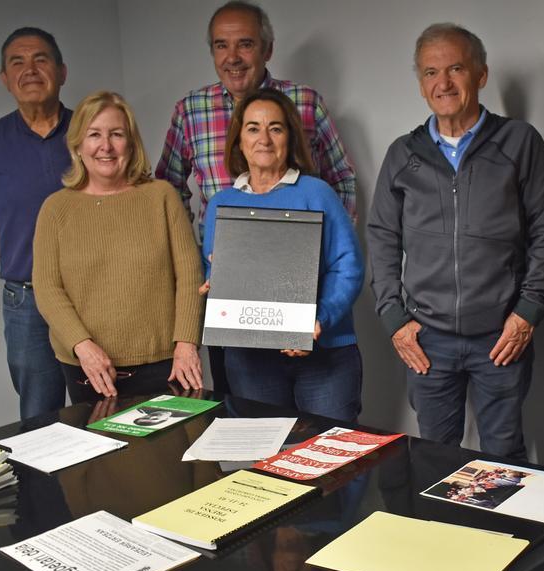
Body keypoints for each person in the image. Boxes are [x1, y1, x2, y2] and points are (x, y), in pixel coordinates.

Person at [367, 23, 544, 571]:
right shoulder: (404, 153)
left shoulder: (518, 144)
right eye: (430, 71)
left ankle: (510, 563)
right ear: (420, 82)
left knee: (503, 454)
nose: (443, 82)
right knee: (436, 453)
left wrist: (527, 312)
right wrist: (395, 318)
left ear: (480, 74)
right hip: (429, 341)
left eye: (454, 69)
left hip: (501, 334)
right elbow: (381, 238)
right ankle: (445, 557)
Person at [156, 0, 358, 392]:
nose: (233, 57)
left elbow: (343, 182)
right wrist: (203, 261)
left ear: (267, 49)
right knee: (248, 425)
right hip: (234, 300)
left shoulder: (306, 103)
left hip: (311, 302)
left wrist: (314, 261)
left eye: (245, 44)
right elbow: (169, 188)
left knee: (323, 438)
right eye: (221, 45)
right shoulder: (190, 110)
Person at [33, 91, 205, 404]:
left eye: (116, 134)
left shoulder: (161, 197)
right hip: (88, 367)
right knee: (104, 452)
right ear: (78, 145)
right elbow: (47, 287)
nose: (106, 146)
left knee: (177, 451)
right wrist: (82, 346)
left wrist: (187, 344)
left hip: (167, 363)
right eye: (94, 135)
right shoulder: (56, 209)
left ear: (131, 142)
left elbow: (190, 276)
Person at [202, 89, 364, 422]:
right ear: (239, 140)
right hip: (251, 363)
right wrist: (215, 284)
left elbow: (348, 268)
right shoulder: (221, 204)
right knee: (262, 460)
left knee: (332, 462)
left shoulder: (316, 193)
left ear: (289, 138)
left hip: (324, 356)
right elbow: (216, 271)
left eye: (275, 128)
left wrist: (317, 320)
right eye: (253, 128)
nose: (264, 138)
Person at [0, 27, 71, 420]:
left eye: (40, 59)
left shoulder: (93, 136)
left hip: (97, 294)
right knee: (41, 416)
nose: (30, 70)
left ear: (61, 71)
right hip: (28, 300)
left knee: (111, 406)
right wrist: (37, 265)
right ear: (5, 79)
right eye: (17, 62)